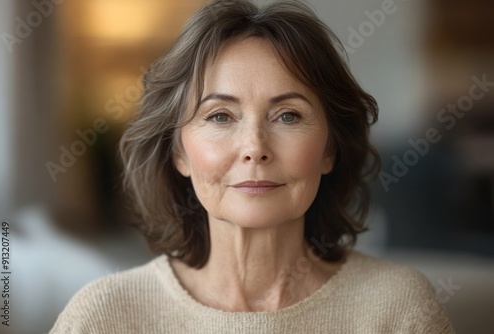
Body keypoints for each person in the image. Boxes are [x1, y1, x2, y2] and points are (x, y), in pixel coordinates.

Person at [50, 0, 454, 333]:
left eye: (288, 116)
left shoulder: (399, 311)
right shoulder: (104, 317)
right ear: (179, 154)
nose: (255, 149)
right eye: (221, 116)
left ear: (329, 149)